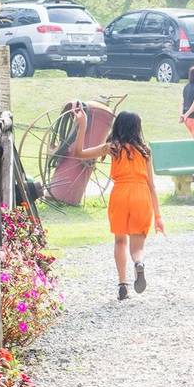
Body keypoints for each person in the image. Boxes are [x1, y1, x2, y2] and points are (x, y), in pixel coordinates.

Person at [70, 106, 164, 301]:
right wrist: (158, 217)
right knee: (137, 246)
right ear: (137, 129)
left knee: (120, 241)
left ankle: (123, 284)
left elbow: (78, 153)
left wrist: (82, 125)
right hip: (141, 195)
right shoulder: (145, 151)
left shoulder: (112, 147)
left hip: (120, 194)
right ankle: (138, 263)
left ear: (118, 127)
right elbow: (152, 185)